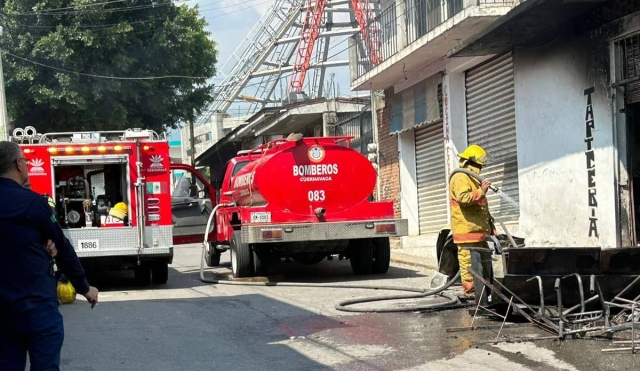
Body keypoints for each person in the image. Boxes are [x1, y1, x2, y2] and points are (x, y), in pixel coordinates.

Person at [0, 141, 99, 371]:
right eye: (24, 160)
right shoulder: (33, 203)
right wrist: (84, 288)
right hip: (36, 309)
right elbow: (63, 248)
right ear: (18, 164)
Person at [449, 144, 494, 300]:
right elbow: (464, 199)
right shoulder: (460, 177)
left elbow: (482, 207)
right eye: (478, 165)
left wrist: (491, 227)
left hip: (479, 232)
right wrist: (482, 191)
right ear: (471, 163)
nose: (480, 169)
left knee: (485, 262)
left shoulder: (472, 179)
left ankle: (485, 290)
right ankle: (471, 292)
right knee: (468, 262)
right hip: (467, 231)